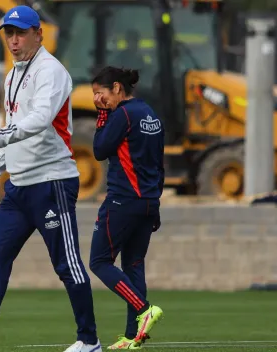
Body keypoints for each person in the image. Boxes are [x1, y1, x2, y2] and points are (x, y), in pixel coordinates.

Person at [0, 5, 101, 352]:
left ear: (38, 34)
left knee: (66, 264)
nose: (13, 40)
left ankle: (89, 341)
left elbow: (39, 120)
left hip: (52, 182)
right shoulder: (12, 75)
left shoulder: (51, 72)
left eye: (20, 32)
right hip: (19, 186)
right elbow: (17, 131)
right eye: (8, 33)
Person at [88, 66, 165, 350]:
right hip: (147, 203)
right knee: (133, 266)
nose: (98, 99)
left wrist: (103, 115)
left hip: (123, 200)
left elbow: (98, 151)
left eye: (100, 93)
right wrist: (154, 205)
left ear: (117, 88)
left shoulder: (121, 115)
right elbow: (159, 163)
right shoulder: (150, 113)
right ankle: (133, 337)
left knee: (99, 262)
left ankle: (144, 310)